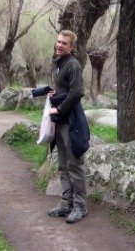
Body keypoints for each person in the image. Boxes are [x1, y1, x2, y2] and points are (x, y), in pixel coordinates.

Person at [47, 30, 89, 224]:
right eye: (58, 42)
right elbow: (66, 90)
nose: (59, 45)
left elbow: (78, 92)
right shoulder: (58, 63)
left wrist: (59, 108)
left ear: (72, 47)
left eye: (64, 43)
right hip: (60, 123)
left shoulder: (73, 64)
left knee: (75, 165)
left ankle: (80, 207)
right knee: (63, 165)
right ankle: (66, 204)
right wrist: (55, 93)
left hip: (72, 122)